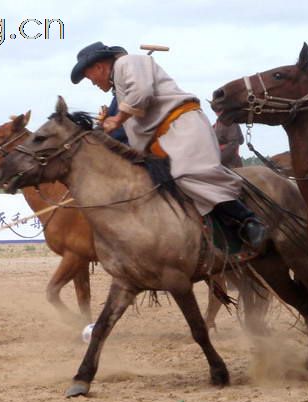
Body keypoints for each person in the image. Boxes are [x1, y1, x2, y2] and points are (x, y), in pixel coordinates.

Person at [70, 42, 267, 253]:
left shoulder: (128, 62)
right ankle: (223, 235)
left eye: (89, 76)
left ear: (99, 67)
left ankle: (249, 221)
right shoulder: (119, 87)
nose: (92, 83)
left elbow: (142, 92)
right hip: (166, 140)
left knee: (184, 175)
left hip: (183, 126)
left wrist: (117, 118)